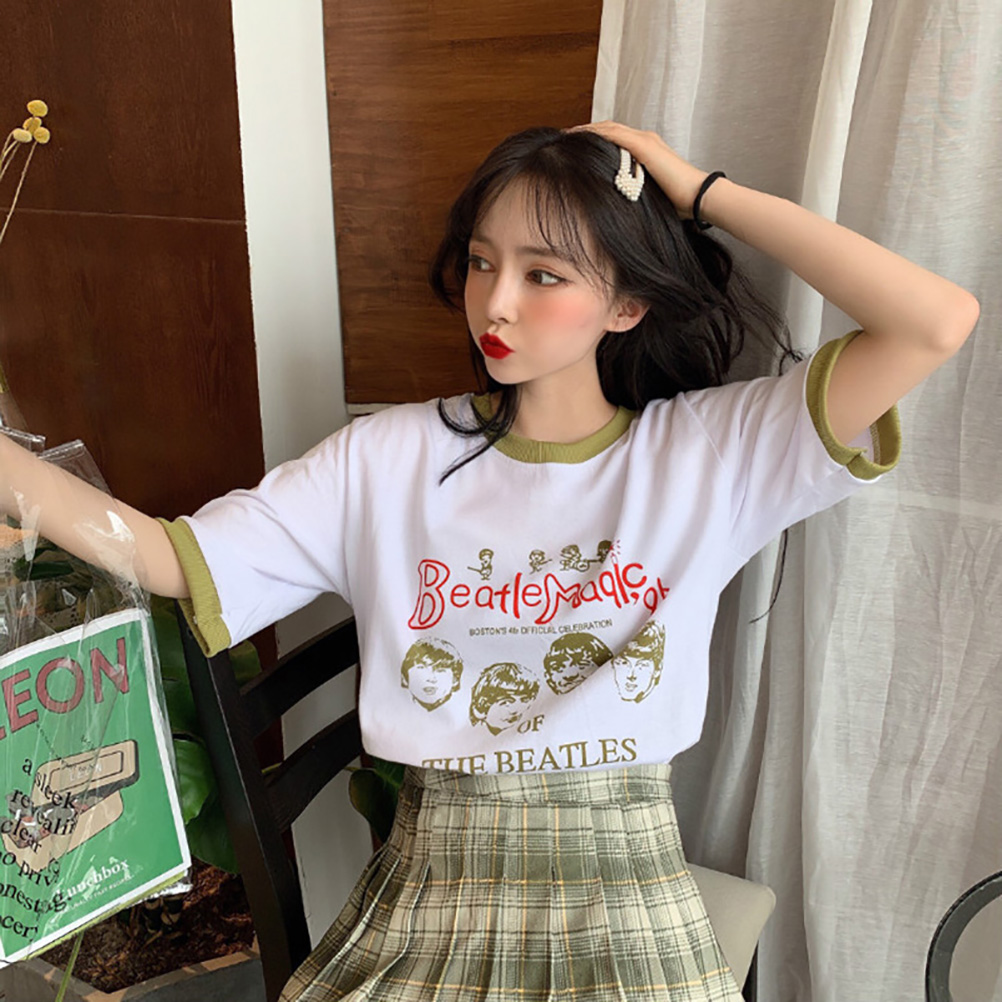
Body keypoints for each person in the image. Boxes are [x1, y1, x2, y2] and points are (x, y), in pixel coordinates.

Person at [0, 120, 978, 1001]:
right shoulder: (387, 460)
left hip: (626, 884)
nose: (495, 303)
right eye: (480, 262)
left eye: (544, 275)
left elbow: (934, 321)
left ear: (627, 303)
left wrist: (699, 191)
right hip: (433, 882)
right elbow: (174, 559)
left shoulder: (712, 454)